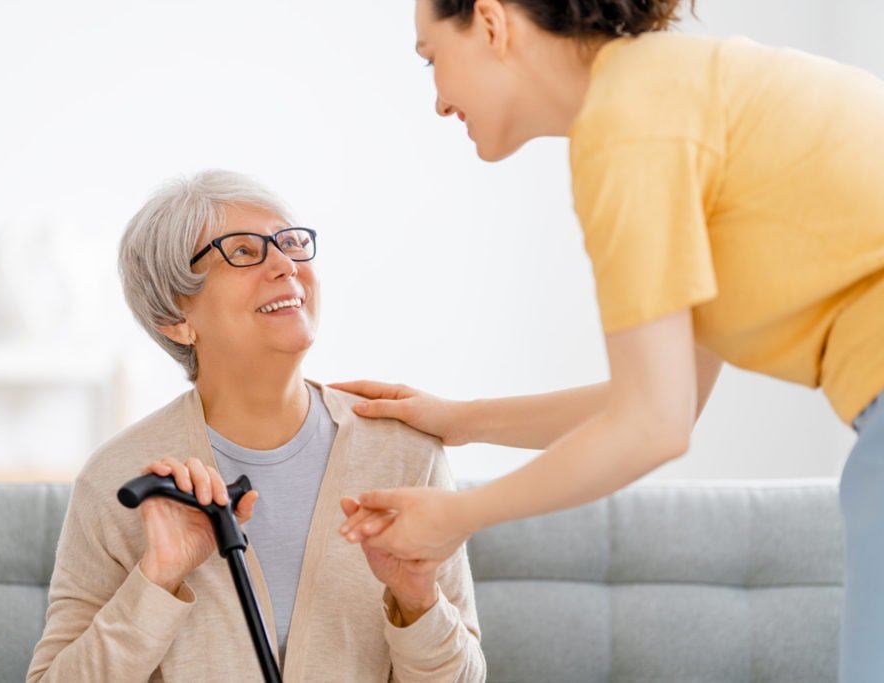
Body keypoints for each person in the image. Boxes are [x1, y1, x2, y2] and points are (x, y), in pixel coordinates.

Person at [335, 1, 884, 681]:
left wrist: (459, 515)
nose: (439, 101)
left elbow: (650, 425)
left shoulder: (629, 125)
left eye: (431, 59)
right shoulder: (673, 90)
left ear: (490, 22)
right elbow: (663, 404)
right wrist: (459, 420)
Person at [27, 170, 485, 682]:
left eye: (290, 243)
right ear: (176, 317)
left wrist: (418, 603)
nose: (286, 265)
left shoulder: (404, 452)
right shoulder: (121, 482)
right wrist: (157, 579)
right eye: (242, 252)